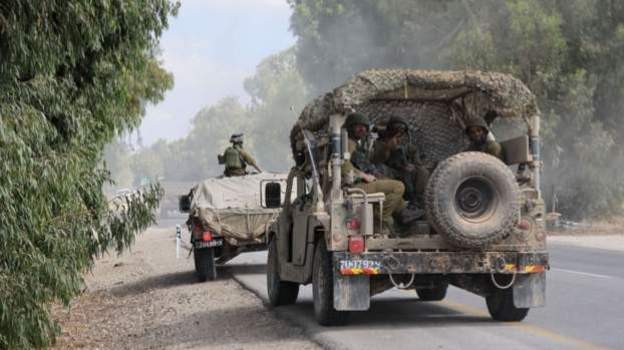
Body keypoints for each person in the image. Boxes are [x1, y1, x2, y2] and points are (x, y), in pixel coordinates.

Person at [342, 113, 422, 230]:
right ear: (350, 126)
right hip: (355, 186)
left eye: (364, 127)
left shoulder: (355, 143)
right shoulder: (348, 143)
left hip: (359, 183)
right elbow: (345, 166)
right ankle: (382, 219)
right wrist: (364, 176)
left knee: (388, 183)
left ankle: (402, 212)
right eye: (358, 126)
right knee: (398, 187)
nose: (362, 129)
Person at [371, 115, 429, 206]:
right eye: (397, 136)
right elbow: (376, 160)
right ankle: (411, 200)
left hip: (400, 171)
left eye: (401, 136)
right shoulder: (380, 142)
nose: (399, 140)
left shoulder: (406, 147)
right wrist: (388, 147)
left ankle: (416, 200)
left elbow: (414, 162)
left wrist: (412, 165)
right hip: (383, 172)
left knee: (422, 172)